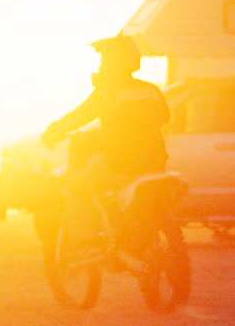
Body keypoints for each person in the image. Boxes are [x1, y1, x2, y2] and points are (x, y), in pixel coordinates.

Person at [40, 35, 172, 246]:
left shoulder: (109, 90)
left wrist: (53, 131)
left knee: (76, 184)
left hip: (119, 162)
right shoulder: (150, 90)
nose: (101, 65)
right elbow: (165, 118)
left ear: (115, 63)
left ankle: (86, 237)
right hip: (154, 161)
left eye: (104, 60)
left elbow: (81, 115)